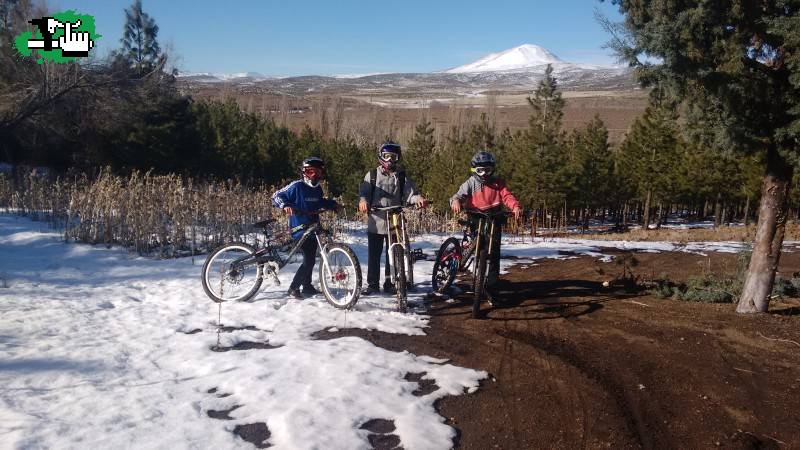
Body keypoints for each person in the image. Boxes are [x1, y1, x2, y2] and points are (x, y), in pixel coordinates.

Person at [450, 151, 522, 302]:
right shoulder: (470, 183)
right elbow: (458, 195)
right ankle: (472, 266)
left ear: (493, 169)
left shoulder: (498, 183)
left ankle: (491, 287)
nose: (484, 174)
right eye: (480, 170)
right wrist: (455, 201)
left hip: (494, 217)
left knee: (493, 252)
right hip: (475, 216)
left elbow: (507, 196)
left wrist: (515, 206)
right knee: (477, 245)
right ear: (473, 170)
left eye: (487, 170)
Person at [358, 141, 427, 295]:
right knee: (374, 255)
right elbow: (364, 191)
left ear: (398, 158)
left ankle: (391, 282)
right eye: (387, 156)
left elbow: (410, 194)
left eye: (393, 157)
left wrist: (419, 199)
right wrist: (363, 201)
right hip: (376, 220)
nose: (390, 160)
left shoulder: (401, 176)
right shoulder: (372, 174)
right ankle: (373, 284)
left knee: (395, 252)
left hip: (395, 220)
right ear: (381, 156)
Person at [272, 156, 339, 299]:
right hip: (299, 229)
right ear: (304, 172)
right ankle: (293, 287)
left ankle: (307, 286)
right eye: (310, 172)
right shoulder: (296, 186)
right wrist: (285, 205)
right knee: (309, 260)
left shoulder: (318, 189)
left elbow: (321, 202)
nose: (314, 175)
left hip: (313, 228)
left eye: (318, 172)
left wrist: (332, 204)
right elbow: (276, 195)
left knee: (310, 259)